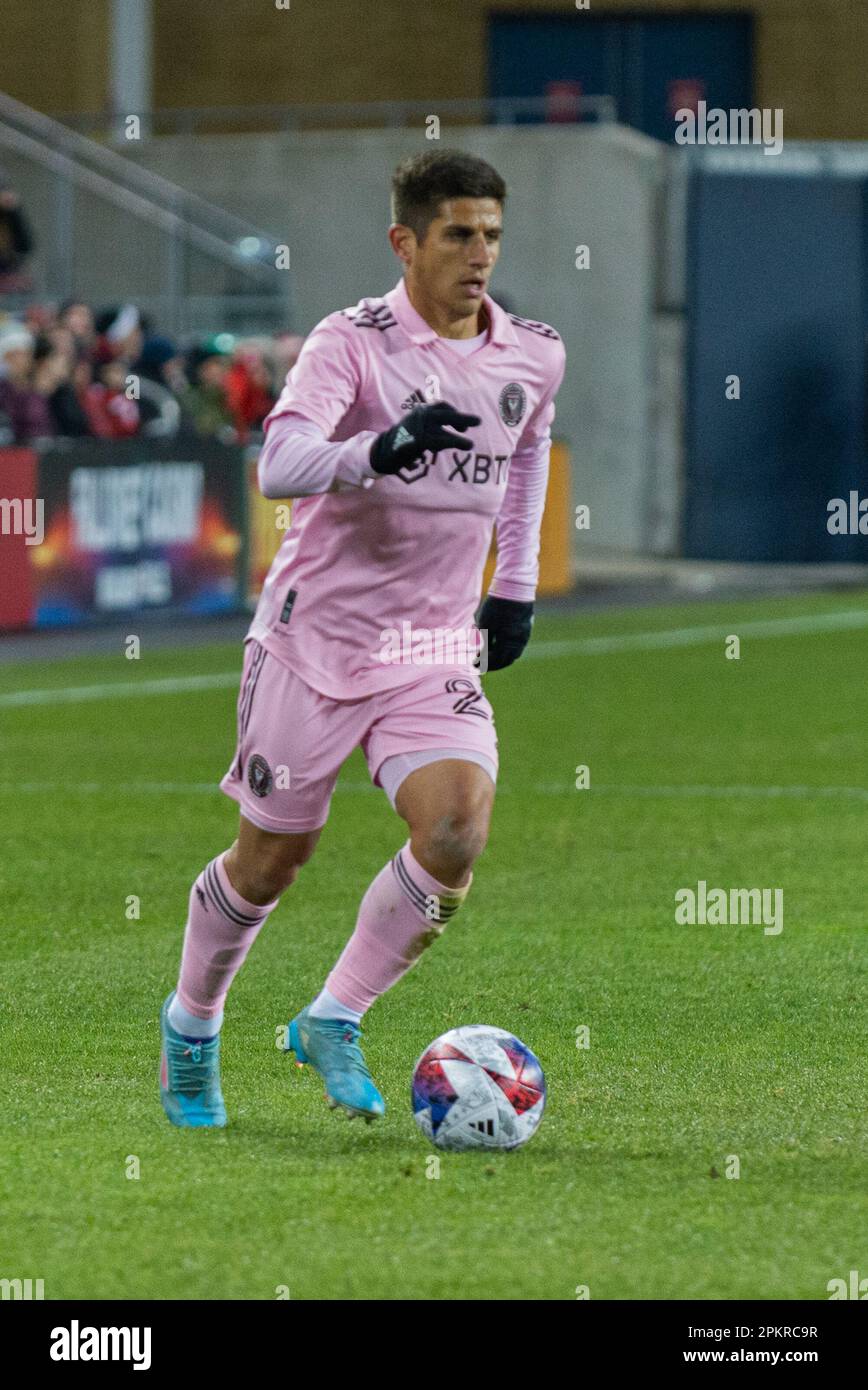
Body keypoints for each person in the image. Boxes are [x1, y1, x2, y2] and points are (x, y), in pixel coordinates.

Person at [158, 149, 566, 1128]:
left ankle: (333, 1016)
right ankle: (191, 1026)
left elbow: (528, 445)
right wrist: (374, 451)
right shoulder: (354, 341)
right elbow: (280, 462)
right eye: (459, 234)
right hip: (315, 640)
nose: (480, 255)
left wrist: (511, 586)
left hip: (429, 645)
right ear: (407, 241)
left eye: (492, 235)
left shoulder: (534, 351)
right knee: (270, 861)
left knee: (456, 828)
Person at [0, 321, 54, 442]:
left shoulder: (36, 387)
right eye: (19, 355)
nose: (26, 359)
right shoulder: (4, 390)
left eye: (27, 354)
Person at [0, 169, 35, 292]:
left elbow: (25, 247)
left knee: (22, 284)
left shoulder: (9, 214)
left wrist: (14, 212)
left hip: (6, 271)